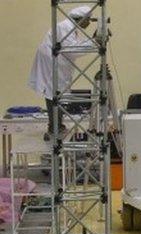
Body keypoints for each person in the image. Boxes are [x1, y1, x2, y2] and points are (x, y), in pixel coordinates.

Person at [29, 6, 97, 140]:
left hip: (55, 60)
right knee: (55, 92)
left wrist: (91, 41)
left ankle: (56, 125)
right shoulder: (66, 27)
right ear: (80, 19)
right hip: (52, 61)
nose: (89, 24)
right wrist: (94, 42)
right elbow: (72, 50)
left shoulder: (69, 27)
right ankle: (54, 127)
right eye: (88, 20)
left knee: (56, 92)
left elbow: (74, 47)